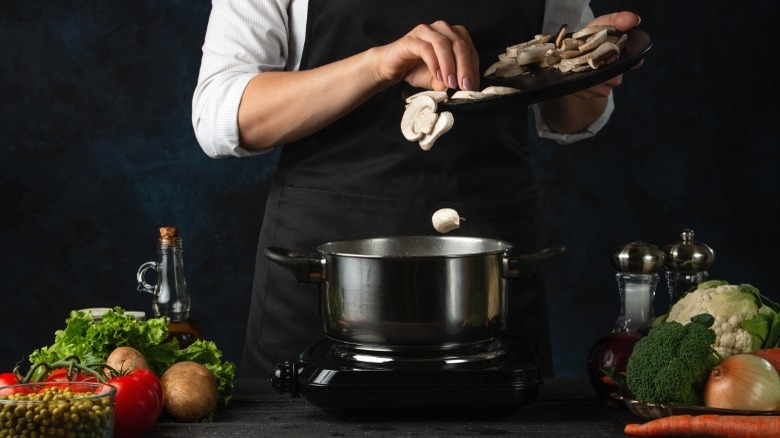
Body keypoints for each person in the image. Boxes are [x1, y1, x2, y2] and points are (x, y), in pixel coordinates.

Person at [192, 0, 642, 378]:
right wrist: (378, 65)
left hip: (486, 267)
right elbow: (221, 115)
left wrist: (589, 82)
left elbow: (561, 114)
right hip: (326, 268)